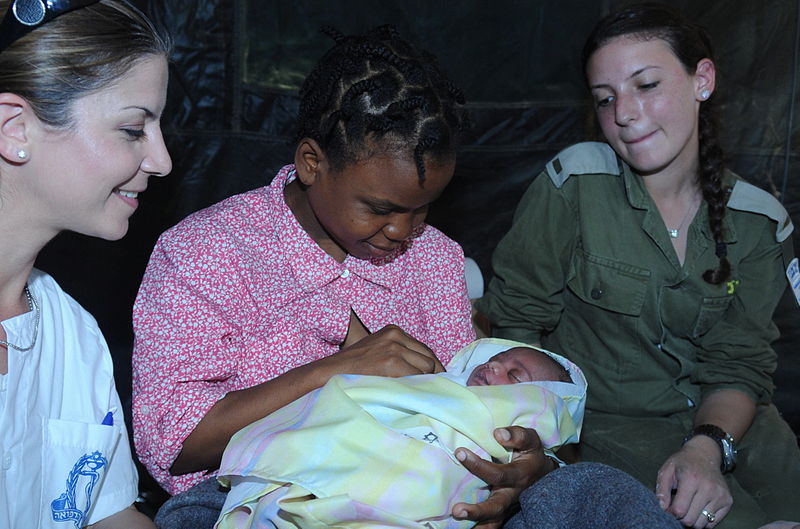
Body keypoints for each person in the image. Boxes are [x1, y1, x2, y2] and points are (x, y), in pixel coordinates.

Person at [132, 24, 567, 529]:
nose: (403, 230)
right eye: (381, 208)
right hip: (253, 487)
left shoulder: (434, 258)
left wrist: (526, 466)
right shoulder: (207, 251)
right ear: (312, 163)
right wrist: (334, 371)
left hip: (416, 484)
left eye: (423, 208)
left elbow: (473, 406)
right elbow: (175, 444)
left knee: (591, 489)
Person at [476, 3, 800, 529]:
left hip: (739, 429)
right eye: (606, 99)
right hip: (612, 435)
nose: (624, 113)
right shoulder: (573, 185)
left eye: (646, 84)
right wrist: (539, 444)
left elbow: (739, 363)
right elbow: (518, 325)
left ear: (703, 80)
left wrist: (708, 448)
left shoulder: (759, 221)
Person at [0, 0, 172, 527]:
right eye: (132, 129)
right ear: (15, 129)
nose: (161, 162)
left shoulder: (71, 333)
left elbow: (106, 514)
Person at [213, 338, 586, 529]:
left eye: (515, 376)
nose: (493, 367)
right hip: (323, 465)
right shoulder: (432, 387)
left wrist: (543, 465)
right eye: (495, 359)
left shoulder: (520, 435)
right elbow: (350, 398)